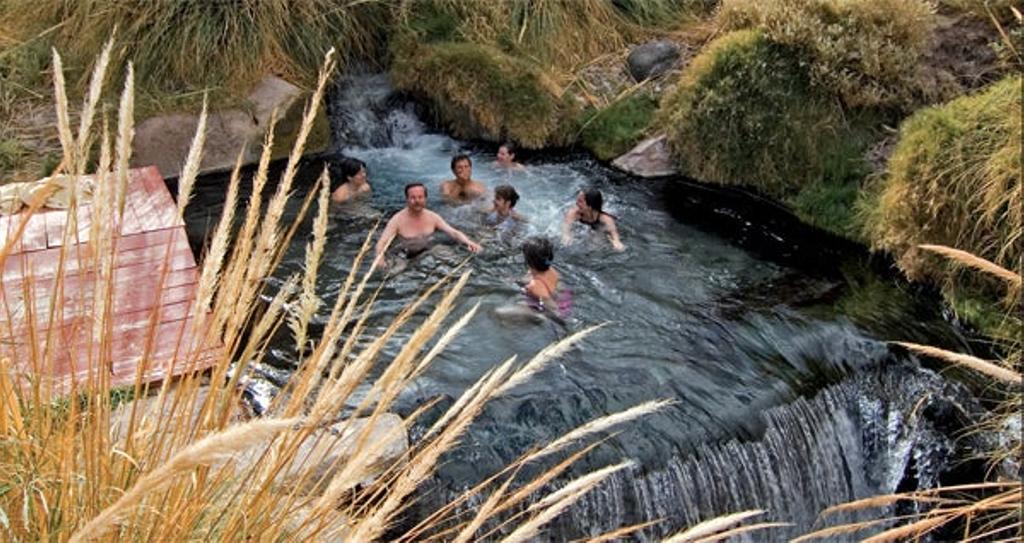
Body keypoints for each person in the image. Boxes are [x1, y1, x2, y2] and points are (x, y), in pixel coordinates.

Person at [373, 182, 482, 271]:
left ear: (425, 198)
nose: (417, 201)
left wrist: (469, 242)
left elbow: (453, 232)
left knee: (455, 260)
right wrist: (380, 258)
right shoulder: (397, 220)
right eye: (413, 198)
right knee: (394, 272)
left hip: (427, 250)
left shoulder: (432, 217)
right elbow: (382, 242)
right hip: (403, 254)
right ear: (407, 199)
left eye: (420, 197)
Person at [521, 236, 571, 318]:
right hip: (563, 297)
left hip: (555, 307)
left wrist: (543, 317)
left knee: (501, 312)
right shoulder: (550, 269)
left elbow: (554, 309)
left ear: (528, 261)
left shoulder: (536, 285)